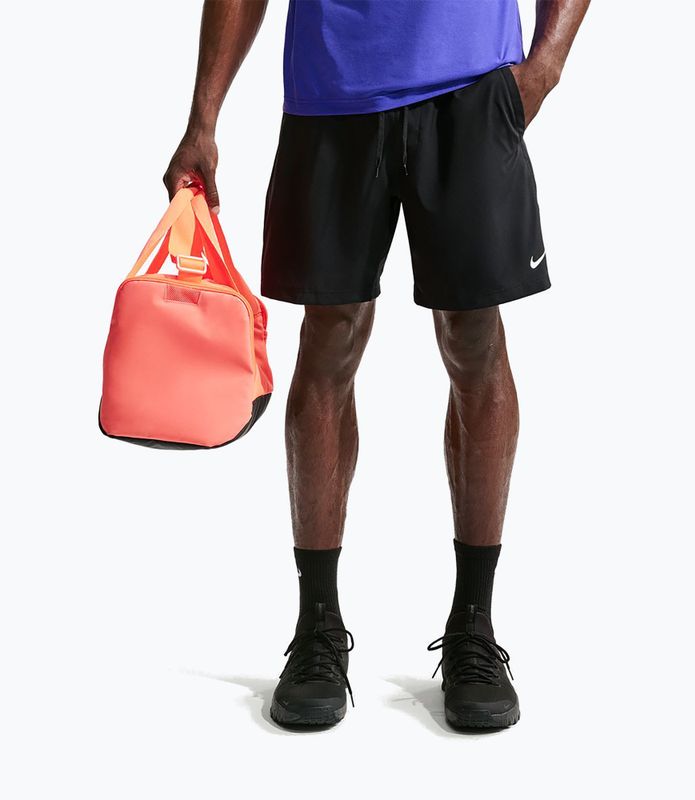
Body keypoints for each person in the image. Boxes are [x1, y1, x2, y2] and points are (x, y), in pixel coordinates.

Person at [165, 0, 590, 730]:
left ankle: (474, 627)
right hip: (331, 95)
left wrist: (545, 67)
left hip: (470, 91)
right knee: (328, 339)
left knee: (474, 337)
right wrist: (203, 119)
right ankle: (318, 631)